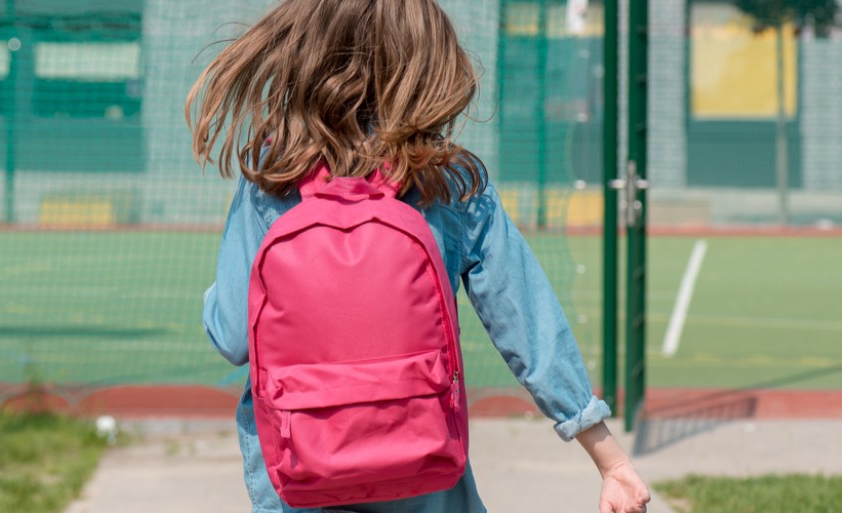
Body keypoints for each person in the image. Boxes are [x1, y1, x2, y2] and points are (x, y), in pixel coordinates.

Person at [188, 1, 651, 512]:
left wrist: (220, 295)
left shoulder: (271, 175)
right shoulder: (450, 182)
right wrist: (612, 462)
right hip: (419, 469)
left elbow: (233, 336)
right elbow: (529, 323)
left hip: (301, 475)